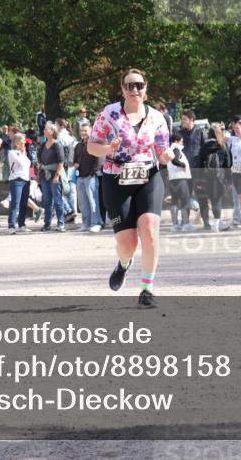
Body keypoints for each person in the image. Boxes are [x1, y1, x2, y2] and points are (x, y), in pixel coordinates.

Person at [89, 69, 173, 308]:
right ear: (122, 89)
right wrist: (108, 149)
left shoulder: (157, 117)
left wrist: (166, 156)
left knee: (149, 229)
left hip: (148, 177)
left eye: (139, 85)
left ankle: (147, 290)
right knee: (128, 244)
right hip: (116, 179)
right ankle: (124, 264)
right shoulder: (110, 114)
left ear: (146, 88)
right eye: (130, 85)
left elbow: (162, 150)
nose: (135, 90)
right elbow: (92, 147)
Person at [196, 123, 230, 232]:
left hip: (206, 177)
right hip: (219, 177)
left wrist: (200, 180)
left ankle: (208, 222)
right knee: (217, 201)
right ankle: (216, 223)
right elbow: (228, 164)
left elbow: (200, 163)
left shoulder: (204, 147)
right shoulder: (223, 146)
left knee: (209, 199)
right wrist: (228, 180)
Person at [73, 124, 102, 233]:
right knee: (82, 202)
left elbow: (97, 160)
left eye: (85, 130)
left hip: (91, 177)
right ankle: (86, 223)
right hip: (80, 177)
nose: (83, 132)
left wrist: (92, 173)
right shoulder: (78, 145)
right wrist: (75, 164)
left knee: (93, 201)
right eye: (82, 131)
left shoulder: (94, 144)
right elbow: (75, 159)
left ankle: (96, 223)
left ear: (91, 131)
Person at [38, 122, 67, 232]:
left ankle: (61, 223)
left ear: (52, 132)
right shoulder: (43, 145)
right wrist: (38, 175)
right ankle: (47, 224)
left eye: (46, 129)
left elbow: (61, 162)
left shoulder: (57, 144)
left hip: (54, 176)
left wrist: (57, 176)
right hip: (45, 175)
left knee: (58, 200)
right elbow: (40, 161)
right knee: (47, 201)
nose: (44, 131)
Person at [167, 133, 195, 232]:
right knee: (185, 200)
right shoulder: (176, 149)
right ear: (177, 141)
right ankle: (185, 223)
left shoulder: (170, 150)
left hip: (173, 179)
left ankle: (175, 225)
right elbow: (174, 161)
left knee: (174, 201)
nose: (182, 142)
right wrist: (183, 165)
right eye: (181, 140)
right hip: (180, 179)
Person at [6, 133, 32, 234]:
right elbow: (20, 162)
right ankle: (11, 225)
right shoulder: (12, 152)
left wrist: (23, 152)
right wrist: (23, 152)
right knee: (15, 203)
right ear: (17, 143)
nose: (24, 144)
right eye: (22, 142)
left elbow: (28, 164)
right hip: (16, 180)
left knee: (23, 203)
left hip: (26, 180)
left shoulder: (23, 153)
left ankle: (22, 224)